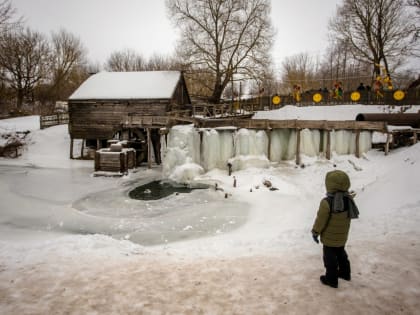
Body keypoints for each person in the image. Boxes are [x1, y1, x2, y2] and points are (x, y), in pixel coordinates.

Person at [311, 170, 359, 288]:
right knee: (341, 253)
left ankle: (331, 279)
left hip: (329, 237)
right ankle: (345, 273)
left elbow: (320, 220)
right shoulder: (348, 199)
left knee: (329, 258)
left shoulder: (327, 202)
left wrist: (315, 232)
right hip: (342, 235)